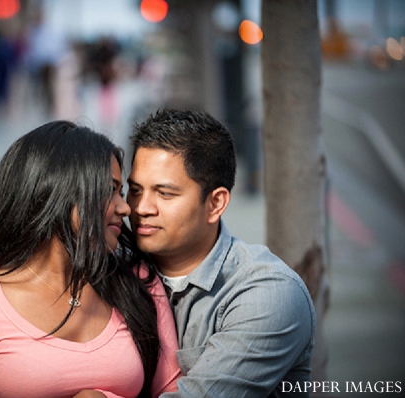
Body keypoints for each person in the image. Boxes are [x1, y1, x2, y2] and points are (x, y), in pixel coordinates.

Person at [0, 121, 180, 398]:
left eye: (120, 192)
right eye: (109, 190)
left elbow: (175, 391)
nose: (124, 207)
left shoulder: (138, 283)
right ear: (59, 194)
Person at [125, 109, 316, 397]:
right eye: (135, 190)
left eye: (164, 193)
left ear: (215, 204)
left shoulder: (267, 294)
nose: (141, 208)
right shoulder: (117, 272)